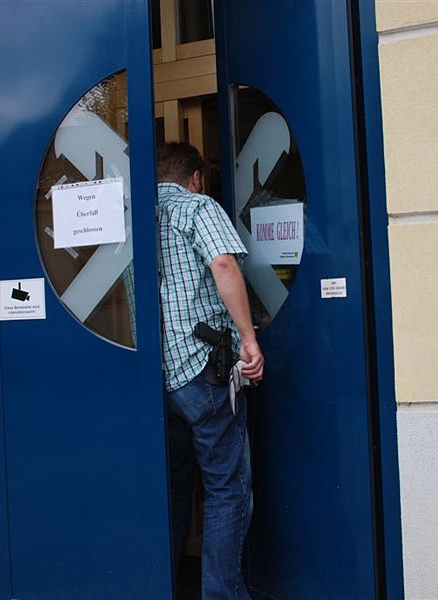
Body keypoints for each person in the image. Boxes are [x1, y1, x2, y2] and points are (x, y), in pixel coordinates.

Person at [156, 142, 265, 599]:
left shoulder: (133, 216)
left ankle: (164, 584)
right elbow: (223, 262)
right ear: (196, 177)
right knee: (227, 489)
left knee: (173, 487)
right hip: (202, 370)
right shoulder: (197, 206)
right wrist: (248, 338)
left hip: (155, 377)